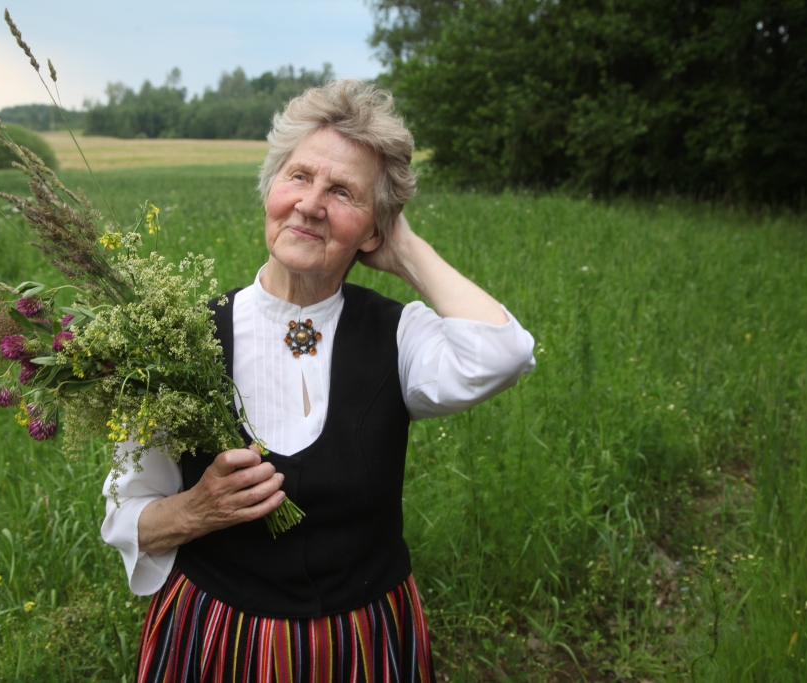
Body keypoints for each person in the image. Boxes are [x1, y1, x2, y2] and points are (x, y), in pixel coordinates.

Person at [101, 79, 536, 682]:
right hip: (213, 641)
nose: (310, 204)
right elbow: (126, 515)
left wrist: (404, 249)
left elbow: (505, 353)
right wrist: (195, 510)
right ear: (270, 191)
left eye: (343, 192)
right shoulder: (179, 341)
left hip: (362, 645)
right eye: (298, 177)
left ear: (373, 230)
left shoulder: (398, 334)